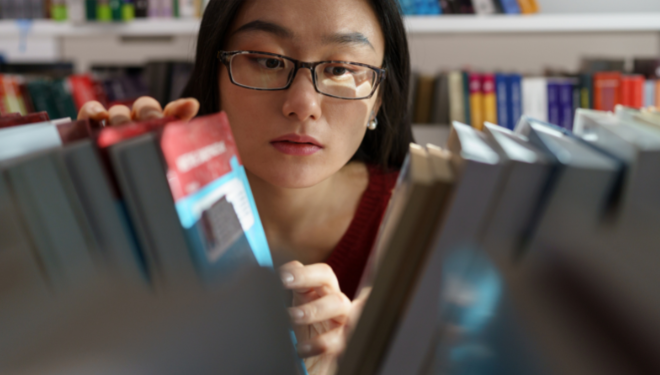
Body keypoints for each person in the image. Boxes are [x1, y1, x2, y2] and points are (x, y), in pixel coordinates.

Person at [78, 0, 412, 373]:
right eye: (268, 61)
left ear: (378, 98)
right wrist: (103, 205)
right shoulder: (152, 206)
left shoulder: (428, 222)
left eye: (342, 68)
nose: (302, 105)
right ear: (213, 74)